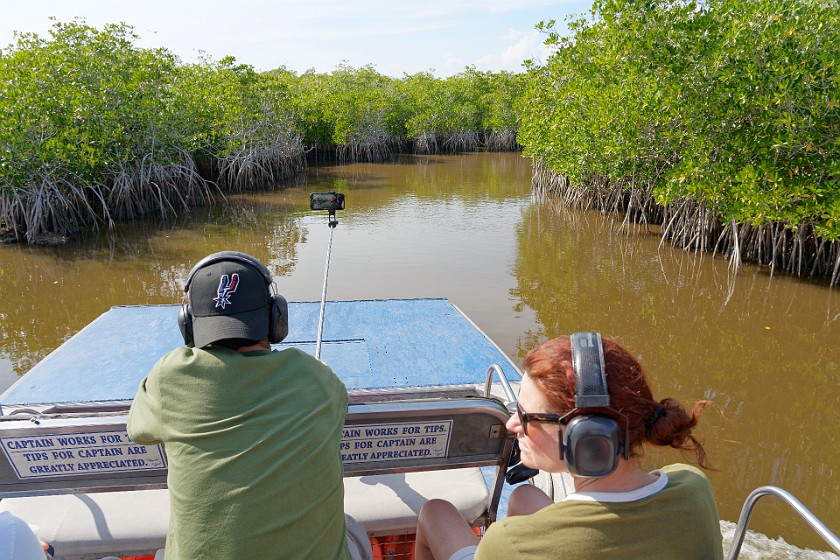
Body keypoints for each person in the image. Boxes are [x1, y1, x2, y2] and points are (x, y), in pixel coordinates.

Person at [127, 251, 370, 560]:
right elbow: (339, 406)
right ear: (276, 318)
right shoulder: (314, 377)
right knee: (350, 528)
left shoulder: (169, 376)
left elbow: (138, 431)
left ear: (187, 325)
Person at [414, 333, 723, 560]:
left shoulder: (507, 545)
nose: (511, 425)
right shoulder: (694, 487)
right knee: (523, 495)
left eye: (525, 416)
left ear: (586, 436)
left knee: (435, 512)